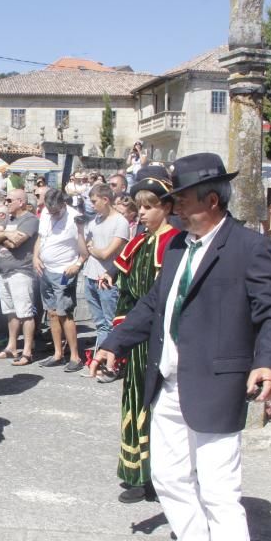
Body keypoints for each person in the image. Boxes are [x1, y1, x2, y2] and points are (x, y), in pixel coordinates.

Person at [90, 153, 271, 541]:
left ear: (210, 198)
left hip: (218, 386)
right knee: (169, 478)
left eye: (179, 197)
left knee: (220, 493)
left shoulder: (248, 247)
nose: (172, 204)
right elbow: (153, 306)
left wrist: (268, 362)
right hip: (169, 384)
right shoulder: (179, 246)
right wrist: (113, 344)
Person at [99, 166, 179, 503]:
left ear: (167, 207)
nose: (142, 213)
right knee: (133, 401)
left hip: (161, 338)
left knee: (157, 406)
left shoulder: (174, 242)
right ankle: (136, 472)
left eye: (149, 207)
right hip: (135, 334)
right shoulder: (142, 242)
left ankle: (159, 476)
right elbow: (127, 283)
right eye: (140, 207)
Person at [34, 188, 87, 372]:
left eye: (56, 211)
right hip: (46, 270)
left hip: (64, 271)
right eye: (50, 211)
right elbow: (41, 238)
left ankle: (74, 356)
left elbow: (84, 247)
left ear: (63, 205)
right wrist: (35, 257)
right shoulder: (46, 214)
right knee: (52, 313)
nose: (53, 214)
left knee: (65, 314)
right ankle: (57, 353)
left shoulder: (75, 218)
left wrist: (78, 263)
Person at [84, 184, 130, 379]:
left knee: (110, 324)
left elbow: (106, 254)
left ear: (105, 199)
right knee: (100, 323)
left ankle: (108, 364)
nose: (91, 205)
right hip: (90, 276)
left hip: (108, 279)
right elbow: (86, 248)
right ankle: (98, 362)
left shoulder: (120, 222)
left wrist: (93, 249)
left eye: (94, 201)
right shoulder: (95, 221)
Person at [0, 188, 39, 366]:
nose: (6, 203)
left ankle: (27, 351)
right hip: (4, 272)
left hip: (21, 271)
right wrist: (6, 235)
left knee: (25, 313)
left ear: (21, 201)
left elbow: (17, 242)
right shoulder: (9, 219)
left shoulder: (30, 220)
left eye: (9, 200)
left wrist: (2, 236)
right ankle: (11, 346)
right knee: (10, 312)